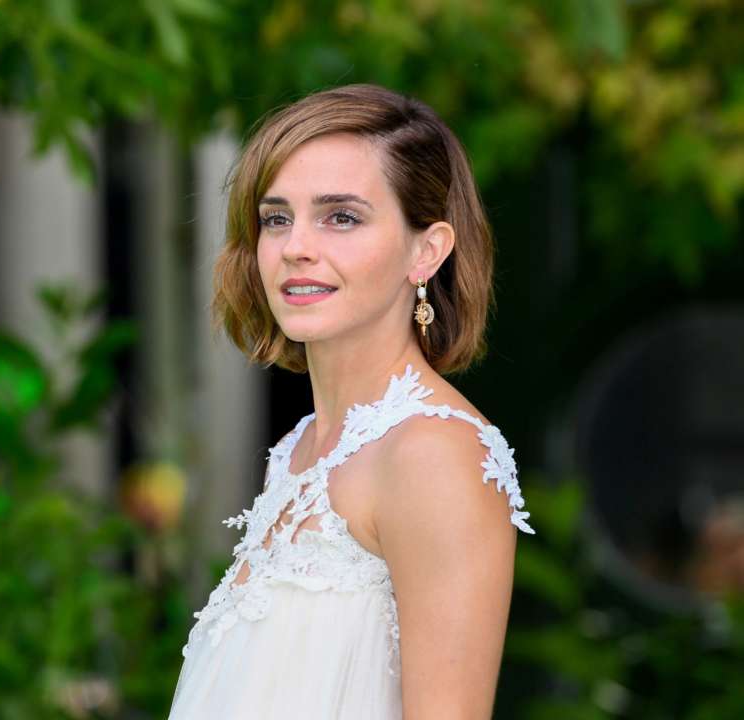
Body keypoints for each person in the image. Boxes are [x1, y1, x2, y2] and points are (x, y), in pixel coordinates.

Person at [168, 84, 536, 719]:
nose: (296, 246)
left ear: (427, 250)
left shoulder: (433, 453)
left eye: (341, 217)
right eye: (276, 218)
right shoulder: (300, 448)